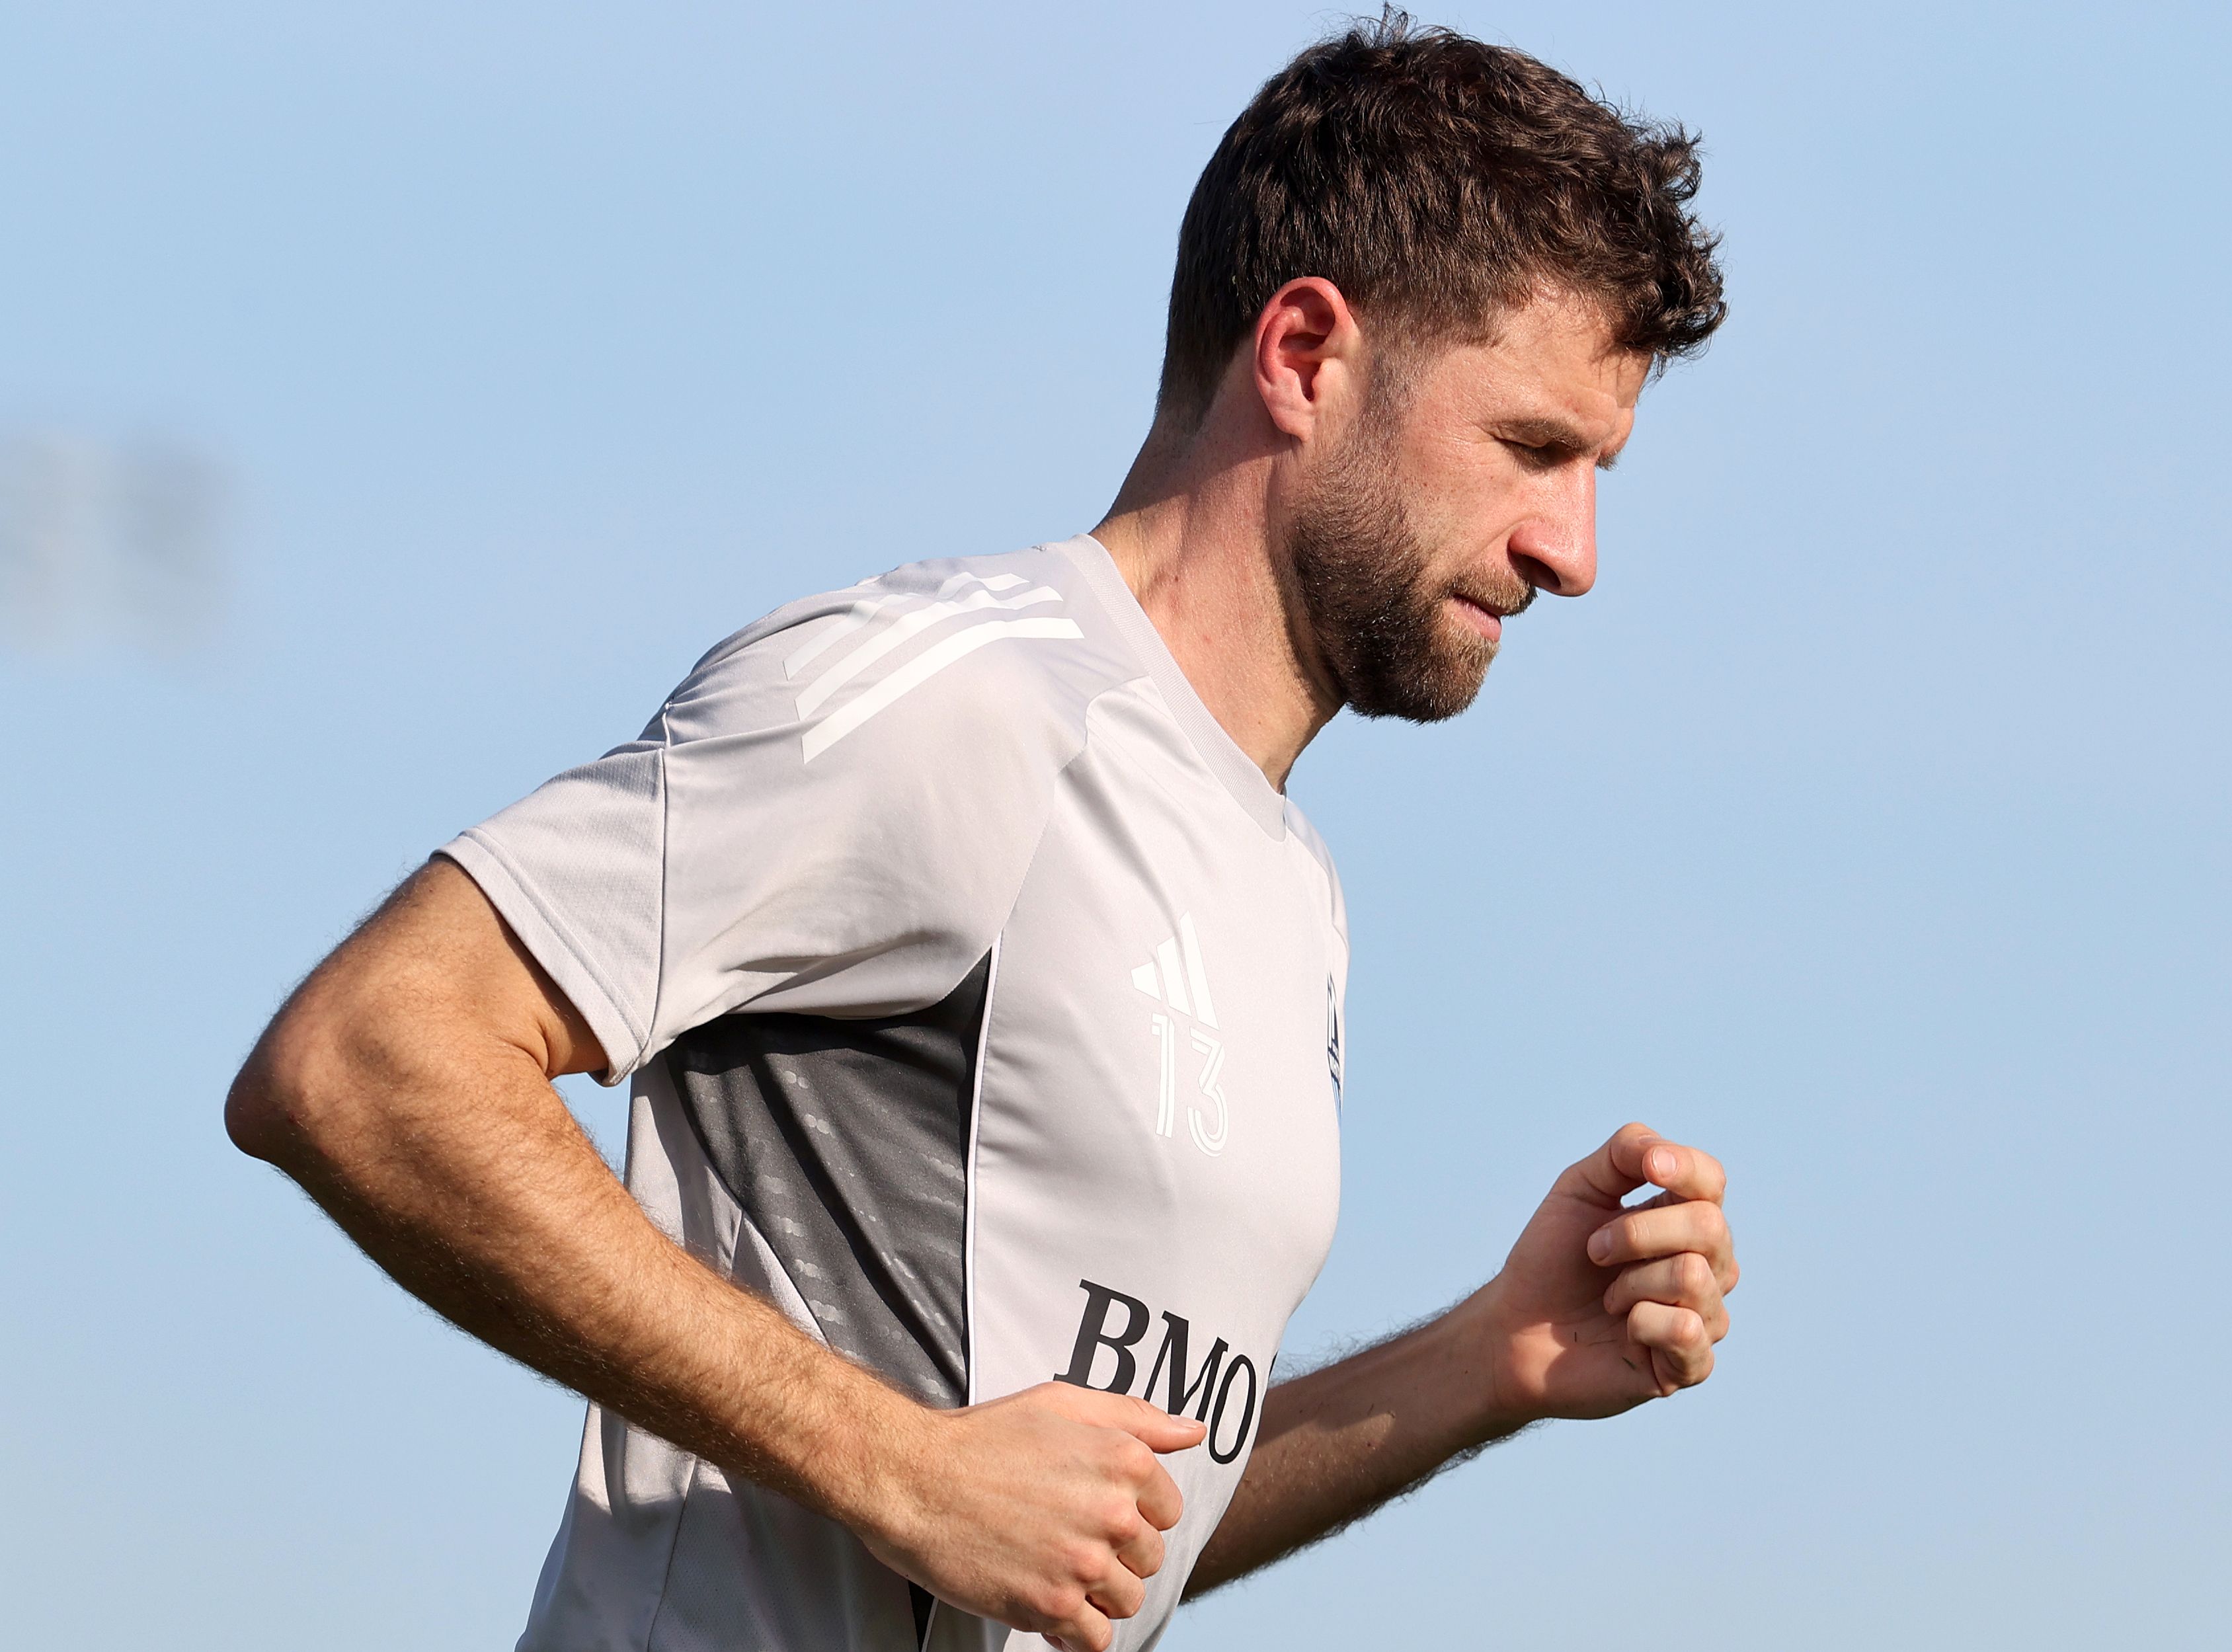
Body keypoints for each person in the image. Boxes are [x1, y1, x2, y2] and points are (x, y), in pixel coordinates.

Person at [225, 17, 1735, 1651]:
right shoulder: (954, 700)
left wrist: (1486, 1358)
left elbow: (1068, 1548)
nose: (1572, 550)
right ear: (1303, 353)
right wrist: (899, 1462)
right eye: (1533, 448)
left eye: (1600, 470)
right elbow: (363, 1054)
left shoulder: (1291, 893)